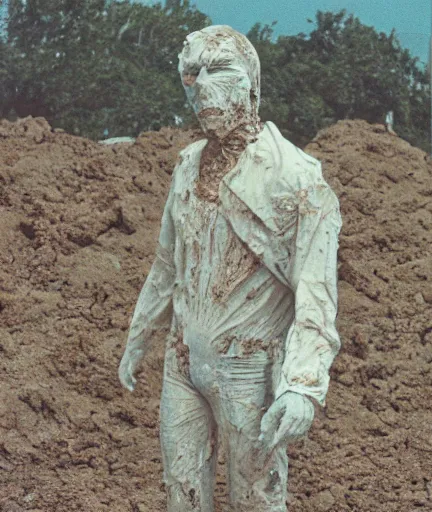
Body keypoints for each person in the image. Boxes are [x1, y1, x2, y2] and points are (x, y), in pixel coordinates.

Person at [117, 26, 342, 511]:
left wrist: (303, 385)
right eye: (190, 74)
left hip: (250, 367)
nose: (200, 86)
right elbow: (166, 264)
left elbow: (316, 292)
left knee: (255, 499)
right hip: (184, 364)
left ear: (253, 84)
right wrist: (139, 336)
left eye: (218, 70)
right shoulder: (187, 166)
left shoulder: (297, 179)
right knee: (182, 492)